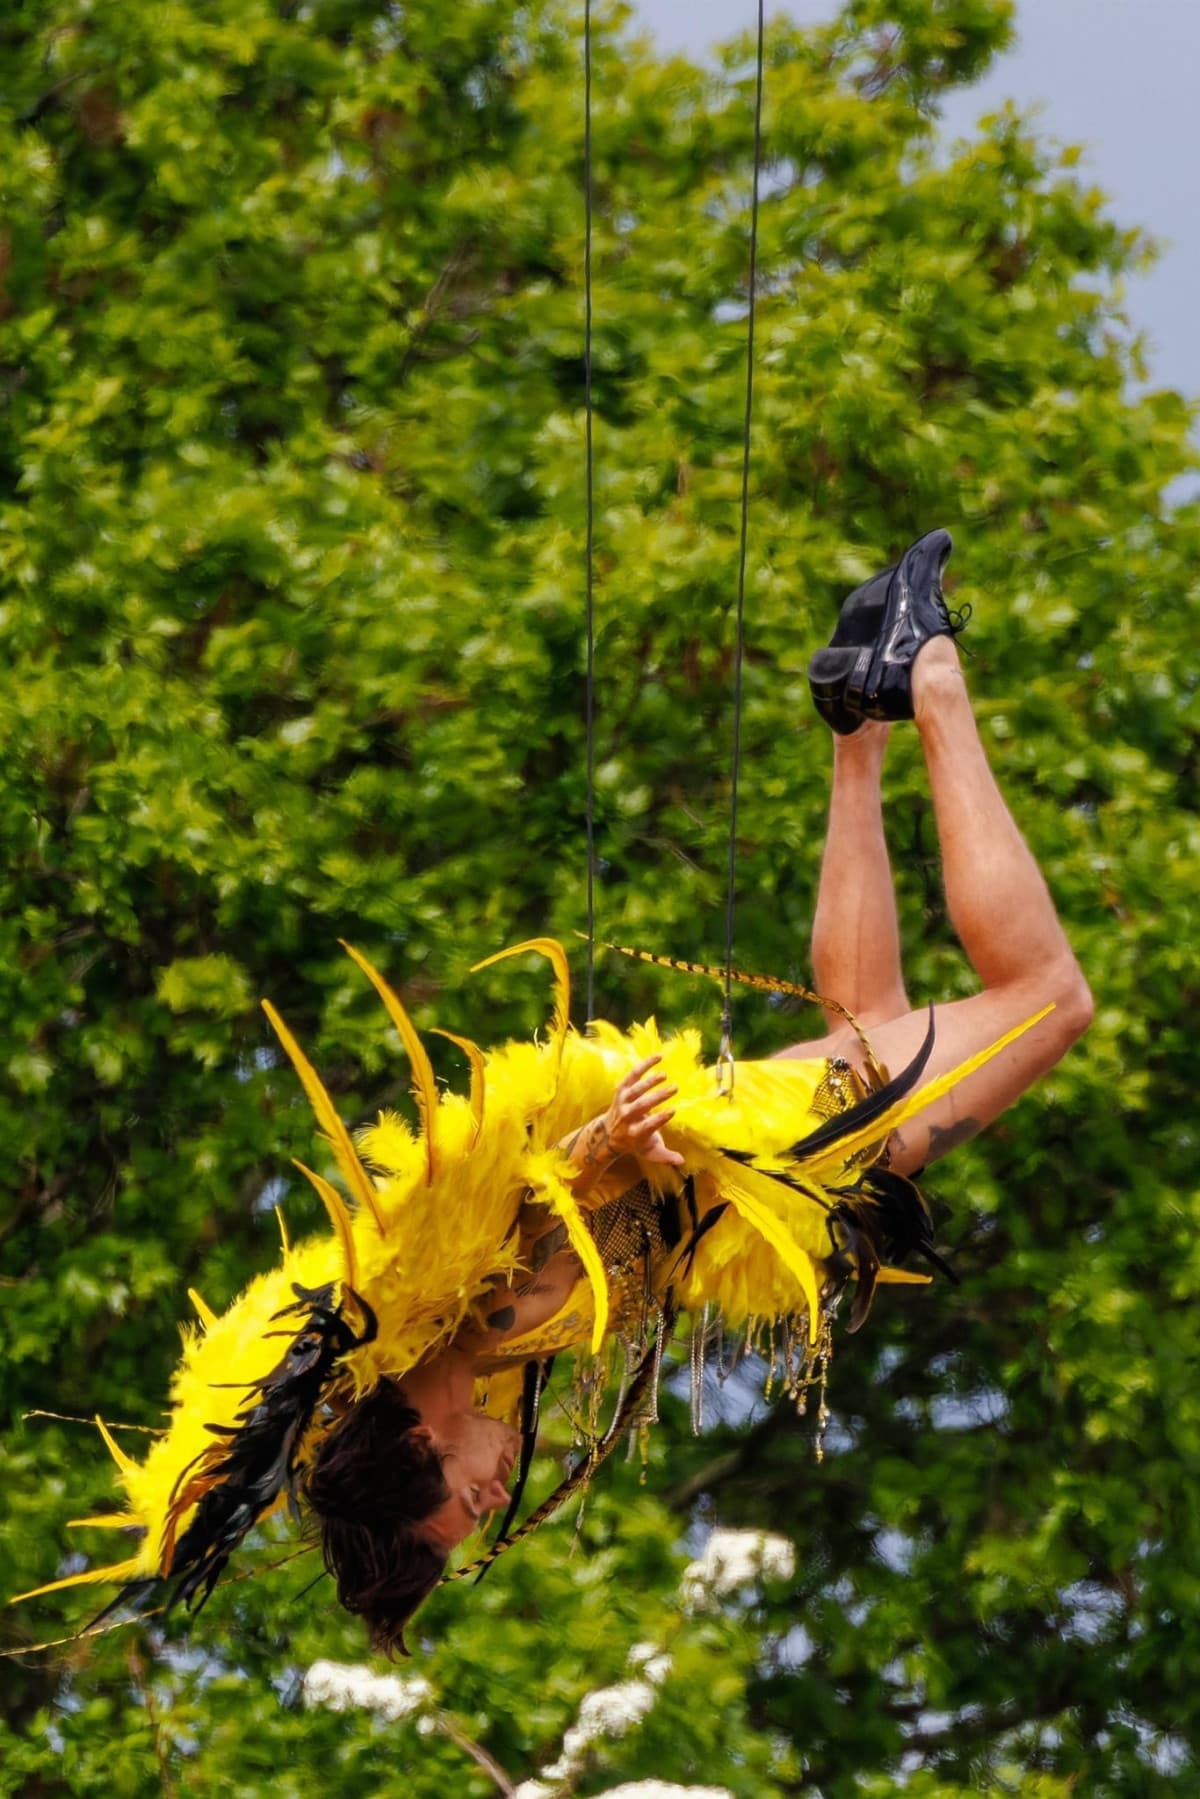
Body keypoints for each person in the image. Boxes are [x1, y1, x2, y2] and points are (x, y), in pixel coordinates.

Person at [13, 529, 1091, 1658]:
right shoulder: (458, 1340)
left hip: (784, 1150)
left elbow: (542, 1194)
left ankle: (925, 676)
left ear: (418, 1445)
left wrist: (612, 1137)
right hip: (759, 1160)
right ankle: (855, 719)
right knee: (866, 1020)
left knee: (1049, 998)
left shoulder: (480, 1319)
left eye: (457, 1512)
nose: (489, 1508)